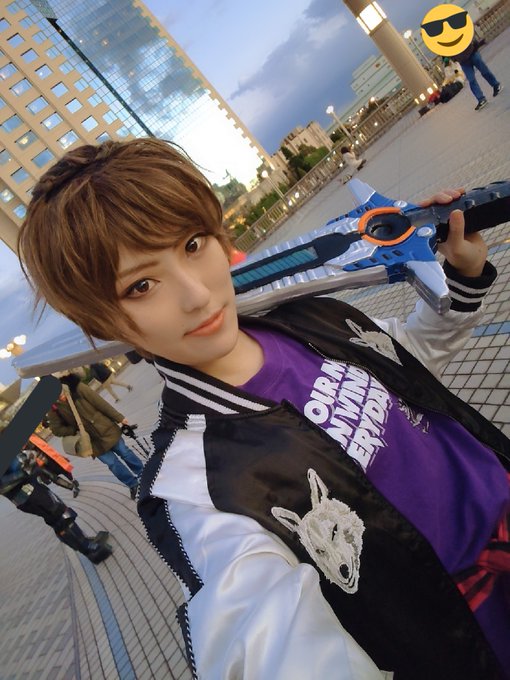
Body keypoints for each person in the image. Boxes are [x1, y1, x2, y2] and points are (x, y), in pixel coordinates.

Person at [18, 139, 510, 679]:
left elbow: (404, 361)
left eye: (192, 244)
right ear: (103, 324)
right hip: (474, 630)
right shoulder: (199, 485)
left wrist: (464, 279)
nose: (197, 295)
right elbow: (260, 636)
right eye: (141, 285)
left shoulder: (306, 318)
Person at [0, 449, 112, 564]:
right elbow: (3, 484)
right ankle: (88, 549)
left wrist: (27, 460)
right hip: (28, 493)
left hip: (29, 490)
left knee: (57, 518)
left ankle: (84, 544)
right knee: (60, 517)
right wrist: (26, 472)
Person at [48, 373, 143, 499]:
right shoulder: (53, 407)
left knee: (124, 452)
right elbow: (56, 429)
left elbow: (100, 403)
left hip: (105, 428)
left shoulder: (76, 387)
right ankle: (132, 484)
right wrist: (75, 429)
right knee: (112, 464)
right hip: (91, 442)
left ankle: (143, 474)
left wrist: (119, 418)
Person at [451, 37, 502, 110]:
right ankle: (481, 99)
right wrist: (454, 58)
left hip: (472, 53)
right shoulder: (445, 40)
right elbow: (446, 52)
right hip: (464, 62)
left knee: (484, 71)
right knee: (471, 80)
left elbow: (468, 34)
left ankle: (496, 85)